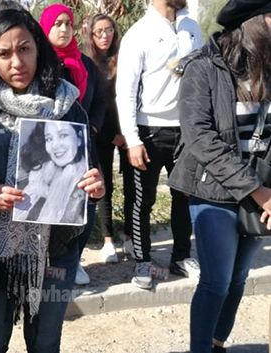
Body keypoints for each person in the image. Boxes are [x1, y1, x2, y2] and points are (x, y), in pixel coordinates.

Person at [0, 8, 105, 353]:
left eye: (25, 49)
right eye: (4, 53)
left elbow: (88, 175)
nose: (16, 62)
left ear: (39, 48)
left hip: (54, 250)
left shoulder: (68, 106)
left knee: (46, 343)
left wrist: (95, 189)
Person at [168, 1, 271, 351]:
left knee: (239, 278)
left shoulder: (268, 69)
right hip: (213, 189)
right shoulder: (204, 67)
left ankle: (215, 342)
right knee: (217, 281)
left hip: (262, 190)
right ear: (253, 24)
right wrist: (258, 192)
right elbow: (200, 138)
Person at [116, 0, 202, 289]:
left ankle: (181, 257)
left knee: (184, 196)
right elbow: (125, 91)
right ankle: (142, 260)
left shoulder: (191, 27)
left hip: (186, 129)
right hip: (149, 131)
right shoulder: (138, 34)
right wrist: (132, 139)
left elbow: (200, 76)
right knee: (143, 201)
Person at [39, 3, 106, 285]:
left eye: (68, 23)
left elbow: (101, 99)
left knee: (87, 201)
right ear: (45, 27)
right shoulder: (40, 63)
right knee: (52, 203)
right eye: (57, 24)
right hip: (50, 147)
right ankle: (47, 262)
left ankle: (73, 259)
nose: (64, 29)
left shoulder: (86, 63)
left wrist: (92, 126)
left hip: (85, 146)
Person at [82, 13, 131, 264]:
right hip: (102, 133)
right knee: (105, 187)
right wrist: (111, 135)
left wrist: (125, 134)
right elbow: (97, 104)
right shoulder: (87, 63)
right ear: (90, 35)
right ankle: (108, 240)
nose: (104, 35)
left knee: (134, 186)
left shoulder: (125, 57)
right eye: (99, 31)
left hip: (129, 131)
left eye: (109, 30)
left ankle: (131, 238)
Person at [14, 121, 87, 225]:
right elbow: (20, 209)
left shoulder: (86, 179)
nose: (55, 145)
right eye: (49, 139)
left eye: (63, 135)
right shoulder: (37, 174)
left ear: (79, 138)